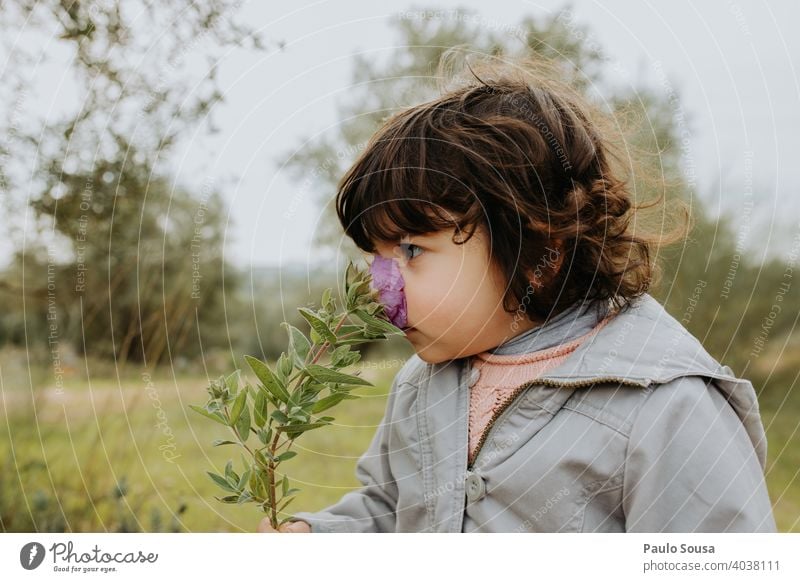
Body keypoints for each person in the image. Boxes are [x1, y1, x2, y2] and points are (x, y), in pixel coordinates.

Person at [258, 55, 776, 533]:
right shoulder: (422, 386)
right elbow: (390, 513)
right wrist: (318, 537)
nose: (380, 288)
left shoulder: (666, 406)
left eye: (412, 250)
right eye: (376, 257)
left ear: (537, 252)